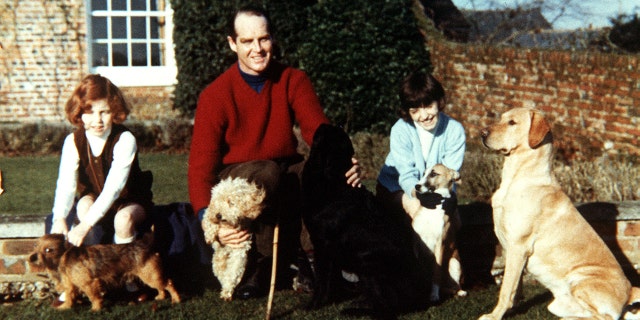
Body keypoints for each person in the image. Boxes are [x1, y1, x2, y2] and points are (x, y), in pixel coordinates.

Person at [188, 5, 360, 299]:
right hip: (239, 176)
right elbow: (200, 168)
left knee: (314, 171)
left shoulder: (293, 80)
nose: (258, 49)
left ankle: (317, 260)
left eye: (264, 39)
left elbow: (317, 130)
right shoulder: (215, 95)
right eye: (247, 41)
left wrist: (344, 162)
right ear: (232, 43)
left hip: (283, 166)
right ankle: (259, 264)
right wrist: (212, 224)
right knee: (266, 173)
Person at [50, 74, 153, 247]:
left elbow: (114, 188)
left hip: (128, 201)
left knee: (123, 220)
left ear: (114, 111)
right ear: (79, 113)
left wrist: (84, 226)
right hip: (94, 197)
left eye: (104, 112)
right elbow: (66, 184)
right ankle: (92, 264)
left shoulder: (125, 139)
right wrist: (59, 217)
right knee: (83, 207)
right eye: (90, 113)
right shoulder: (73, 141)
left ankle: (122, 267)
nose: (97, 120)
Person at [376, 71, 465, 218]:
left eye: (429, 106)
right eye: (415, 111)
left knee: (454, 220)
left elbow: (450, 174)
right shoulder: (400, 129)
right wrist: (418, 195)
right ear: (408, 112)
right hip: (397, 189)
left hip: (431, 189)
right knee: (417, 209)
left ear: (438, 101)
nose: (424, 116)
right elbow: (406, 174)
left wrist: (449, 199)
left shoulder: (454, 130)